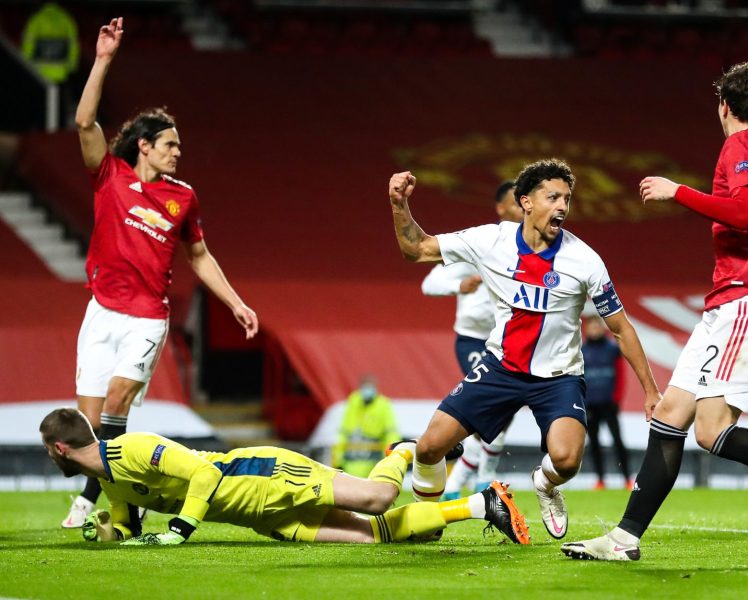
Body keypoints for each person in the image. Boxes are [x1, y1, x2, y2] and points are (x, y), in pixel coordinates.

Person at [562, 62, 748, 562]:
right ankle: (624, 538)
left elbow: (743, 213)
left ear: (724, 105)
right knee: (672, 414)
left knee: (711, 428)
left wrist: (677, 191)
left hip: (746, 298)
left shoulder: (743, 145)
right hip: (741, 301)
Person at [389, 158, 662, 540]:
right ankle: (426, 521)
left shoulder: (585, 261)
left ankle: (545, 483)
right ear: (526, 202)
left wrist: (651, 391)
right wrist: (399, 204)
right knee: (430, 447)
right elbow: (416, 250)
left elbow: (621, 327)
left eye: (567, 198)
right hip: (501, 367)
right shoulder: (491, 241)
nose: (563, 206)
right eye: (553, 197)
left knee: (566, 461)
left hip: (558, 377)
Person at [62, 17, 258, 528]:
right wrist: (103, 60)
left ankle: (97, 499)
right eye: (169, 144)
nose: (178, 151)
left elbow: (199, 257)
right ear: (144, 145)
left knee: (118, 402)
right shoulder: (110, 177)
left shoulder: (183, 197)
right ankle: (125, 495)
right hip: (100, 312)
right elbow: (85, 123)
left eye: (179, 145)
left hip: (146, 317)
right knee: (89, 421)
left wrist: (235, 301)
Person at [40, 408, 529, 545]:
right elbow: (127, 527)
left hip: (266, 475)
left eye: (49, 451)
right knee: (374, 538)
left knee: (379, 500)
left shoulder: (135, 448)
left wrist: (181, 528)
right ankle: (481, 504)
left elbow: (203, 474)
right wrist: (107, 531)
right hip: (261, 520)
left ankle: (402, 450)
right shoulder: (107, 480)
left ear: (58, 448)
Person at [421, 181, 524, 498]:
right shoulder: (481, 244)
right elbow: (429, 283)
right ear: (501, 209)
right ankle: (480, 481)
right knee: (488, 408)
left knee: (502, 412)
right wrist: (459, 286)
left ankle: (463, 482)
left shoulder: (531, 250)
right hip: (472, 340)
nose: (523, 208)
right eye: (516, 203)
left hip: (506, 342)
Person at [582, 315, 632, 490]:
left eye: (597, 327)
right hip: (590, 405)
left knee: (618, 441)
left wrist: (616, 399)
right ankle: (600, 480)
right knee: (594, 443)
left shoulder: (612, 349)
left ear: (602, 328)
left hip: (609, 404)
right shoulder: (582, 351)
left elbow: (620, 375)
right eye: (591, 327)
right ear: (587, 329)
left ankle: (627, 479)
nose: (594, 330)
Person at [21, 2, 80, 128]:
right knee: (60, 108)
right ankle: (59, 131)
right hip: (61, 74)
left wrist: (27, 70)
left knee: (40, 108)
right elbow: (73, 46)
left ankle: (41, 130)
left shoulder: (36, 19)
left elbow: (27, 47)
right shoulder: (66, 19)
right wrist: (71, 67)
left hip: (39, 76)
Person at [333, 376, 401, 477]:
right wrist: (338, 457)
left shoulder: (383, 405)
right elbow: (344, 432)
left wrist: (390, 455)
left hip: (373, 455)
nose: (367, 391)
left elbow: (391, 432)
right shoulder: (354, 401)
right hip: (352, 454)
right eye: (365, 388)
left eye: (370, 388)